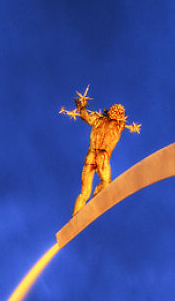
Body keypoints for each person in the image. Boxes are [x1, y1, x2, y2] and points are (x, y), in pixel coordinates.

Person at [60, 87, 140, 216]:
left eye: (119, 112)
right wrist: (81, 107)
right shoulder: (101, 121)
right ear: (110, 111)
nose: (116, 113)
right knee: (90, 190)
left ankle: (93, 201)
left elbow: (87, 117)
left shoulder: (117, 125)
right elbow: (86, 117)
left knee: (102, 185)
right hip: (96, 155)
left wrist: (81, 107)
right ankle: (77, 215)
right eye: (115, 110)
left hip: (98, 156)